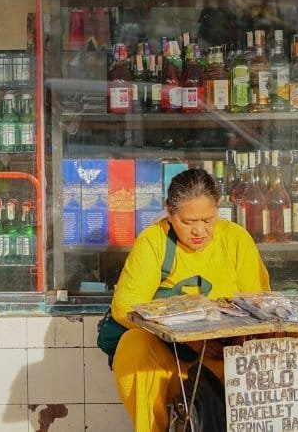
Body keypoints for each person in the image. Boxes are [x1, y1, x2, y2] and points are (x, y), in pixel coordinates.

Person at [109, 168, 270, 432]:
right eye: (188, 221)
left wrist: (237, 342)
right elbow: (124, 307)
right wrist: (190, 338)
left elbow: (259, 303)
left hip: (231, 357)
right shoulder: (154, 241)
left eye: (208, 220)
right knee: (132, 344)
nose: (199, 231)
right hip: (174, 359)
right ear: (169, 215)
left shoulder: (236, 238)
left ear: (218, 208)